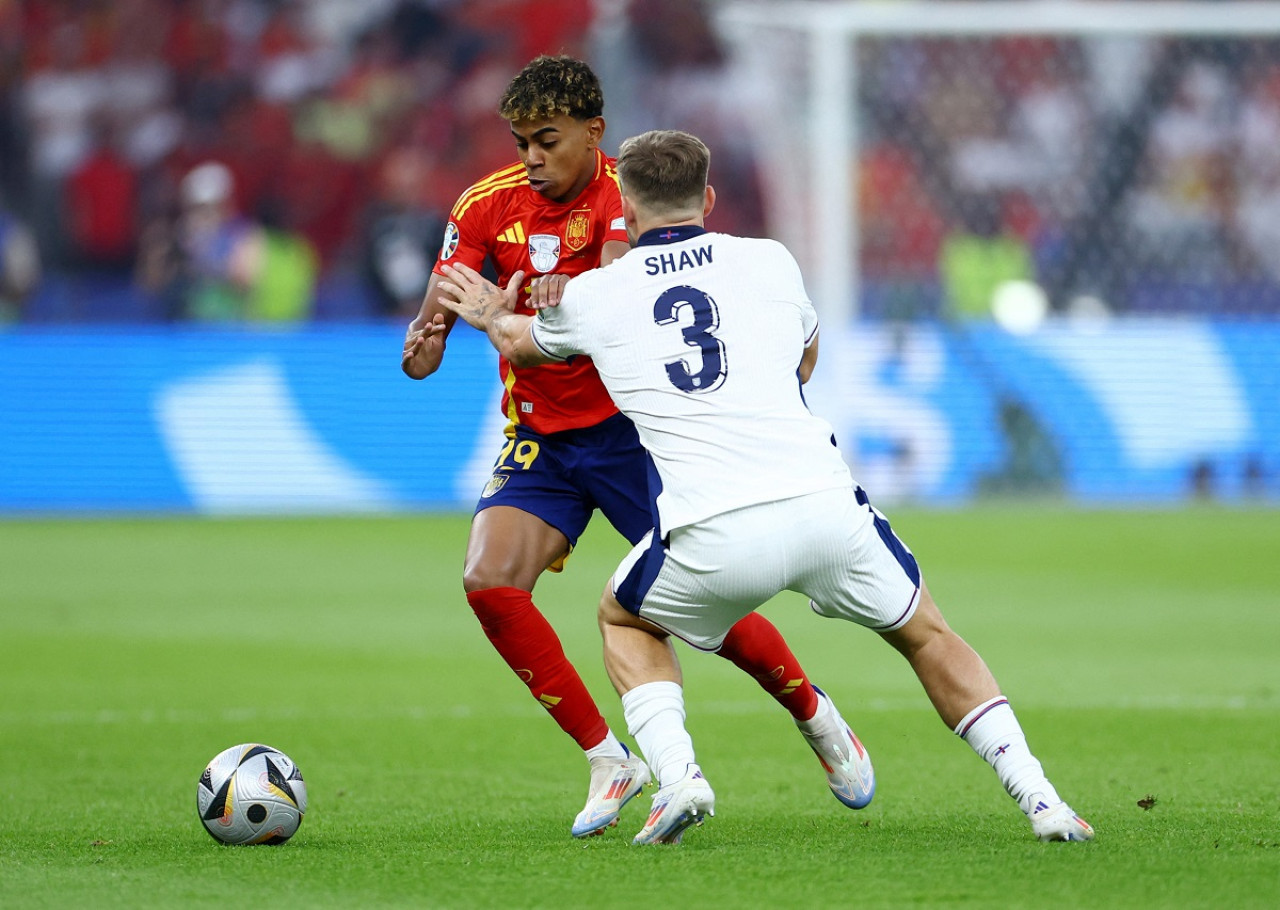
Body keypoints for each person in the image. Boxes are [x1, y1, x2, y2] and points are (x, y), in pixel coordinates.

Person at [435, 128, 1095, 846]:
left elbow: (523, 344)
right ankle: (1043, 800)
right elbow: (805, 360)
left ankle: (680, 777)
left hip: (714, 530)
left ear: (625, 203)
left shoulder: (598, 294)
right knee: (928, 634)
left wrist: (492, 312)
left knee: (625, 619)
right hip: (823, 507)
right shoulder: (770, 261)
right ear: (709, 198)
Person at [401, 56, 867, 839]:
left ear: (593, 132)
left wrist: (553, 303)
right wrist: (426, 341)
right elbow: (427, 345)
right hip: (542, 439)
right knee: (488, 581)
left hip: (634, 436)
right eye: (520, 143)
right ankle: (607, 758)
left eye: (546, 141)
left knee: (700, 605)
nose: (531, 159)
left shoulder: (629, 196)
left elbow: (623, 288)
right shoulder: (483, 208)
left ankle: (814, 713)